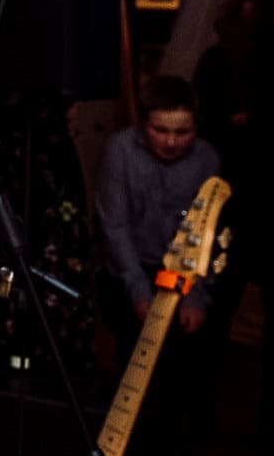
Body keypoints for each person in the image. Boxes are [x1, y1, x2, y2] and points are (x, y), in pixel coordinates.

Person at [95, 74, 222, 345]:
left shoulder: (207, 158)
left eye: (182, 132)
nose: (171, 142)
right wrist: (139, 292)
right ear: (143, 124)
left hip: (186, 273)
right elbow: (115, 226)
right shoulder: (119, 151)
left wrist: (196, 296)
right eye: (160, 131)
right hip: (130, 268)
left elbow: (207, 234)